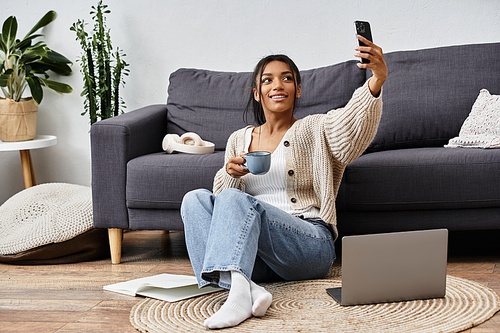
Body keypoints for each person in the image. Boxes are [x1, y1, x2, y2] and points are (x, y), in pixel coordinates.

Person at [180, 35, 387, 330]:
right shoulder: (239, 139)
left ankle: (237, 293)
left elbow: (350, 127)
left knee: (234, 200)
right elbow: (222, 214)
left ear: (298, 89)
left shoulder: (314, 128)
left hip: (308, 245)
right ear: (256, 93)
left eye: (286, 78)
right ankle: (246, 288)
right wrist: (229, 172)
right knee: (194, 199)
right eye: (267, 80)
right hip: (259, 256)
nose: (277, 85)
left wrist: (376, 80)